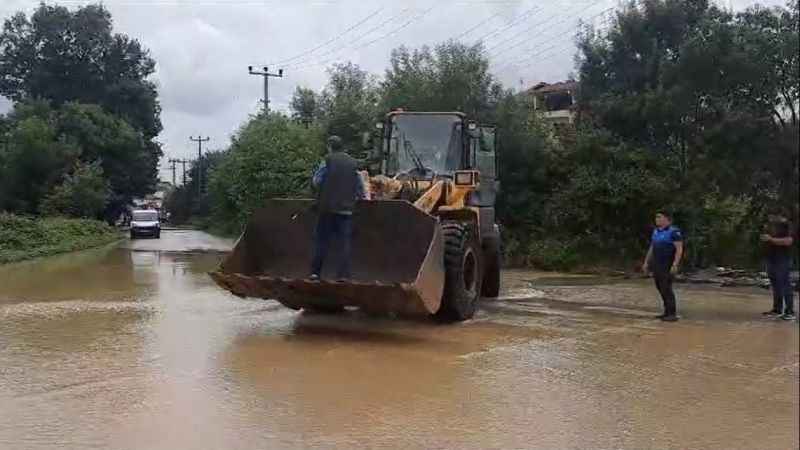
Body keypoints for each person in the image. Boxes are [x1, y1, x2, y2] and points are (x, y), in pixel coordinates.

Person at [309, 135, 369, 281]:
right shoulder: (353, 163)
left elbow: (317, 181)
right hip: (347, 210)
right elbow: (360, 185)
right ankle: (343, 275)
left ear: (329, 146)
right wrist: (363, 198)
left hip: (327, 208)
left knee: (321, 241)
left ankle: (316, 273)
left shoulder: (327, 161)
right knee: (344, 243)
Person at [642, 211, 684, 322]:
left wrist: (675, 264)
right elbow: (652, 247)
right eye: (656, 217)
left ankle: (672, 313)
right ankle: (666, 312)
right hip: (657, 263)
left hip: (667, 263)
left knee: (666, 287)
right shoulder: (656, 231)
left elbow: (679, 249)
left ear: (667, 219)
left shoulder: (674, 232)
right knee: (659, 286)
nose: (657, 219)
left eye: (659, 217)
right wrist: (646, 262)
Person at [761, 209, 795, 321]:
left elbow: (788, 241)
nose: (770, 218)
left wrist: (771, 239)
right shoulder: (771, 227)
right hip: (771, 258)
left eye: (772, 216)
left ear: (779, 216)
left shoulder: (788, 226)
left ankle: (790, 312)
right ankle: (777, 309)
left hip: (783, 259)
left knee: (785, 284)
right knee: (775, 285)